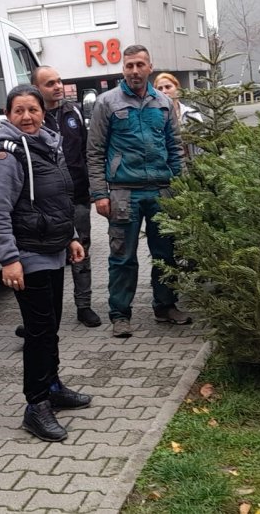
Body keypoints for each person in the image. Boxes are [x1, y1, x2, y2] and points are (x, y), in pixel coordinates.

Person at [0, 84, 92, 442]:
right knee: (38, 331)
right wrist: (9, 259)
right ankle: (36, 405)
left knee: (51, 327)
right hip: (28, 255)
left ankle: (53, 385)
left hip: (53, 249)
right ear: (8, 115)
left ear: (43, 112)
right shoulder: (7, 155)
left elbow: (61, 200)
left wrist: (73, 236)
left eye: (33, 109)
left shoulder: (49, 145)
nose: (27, 117)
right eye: (19, 111)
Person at [86, 45, 192, 338]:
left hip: (161, 191)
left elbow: (175, 149)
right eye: (129, 65)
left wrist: (179, 188)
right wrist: (99, 193)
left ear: (150, 67)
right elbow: (94, 152)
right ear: (123, 69)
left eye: (140, 65)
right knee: (122, 257)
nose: (134, 71)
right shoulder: (107, 103)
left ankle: (166, 306)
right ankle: (120, 315)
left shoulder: (163, 103)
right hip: (123, 192)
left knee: (165, 254)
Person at [34, 65, 101, 327]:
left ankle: (84, 306)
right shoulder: (34, 118)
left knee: (81, 251)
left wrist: (94, 189)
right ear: (38, 89)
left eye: (59, 81)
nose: (58, 86)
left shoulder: (72, 111)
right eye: (50, 83)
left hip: (78, 196)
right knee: (48, 257)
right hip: (48, 201)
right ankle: (46, 312)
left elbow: (87, 151)